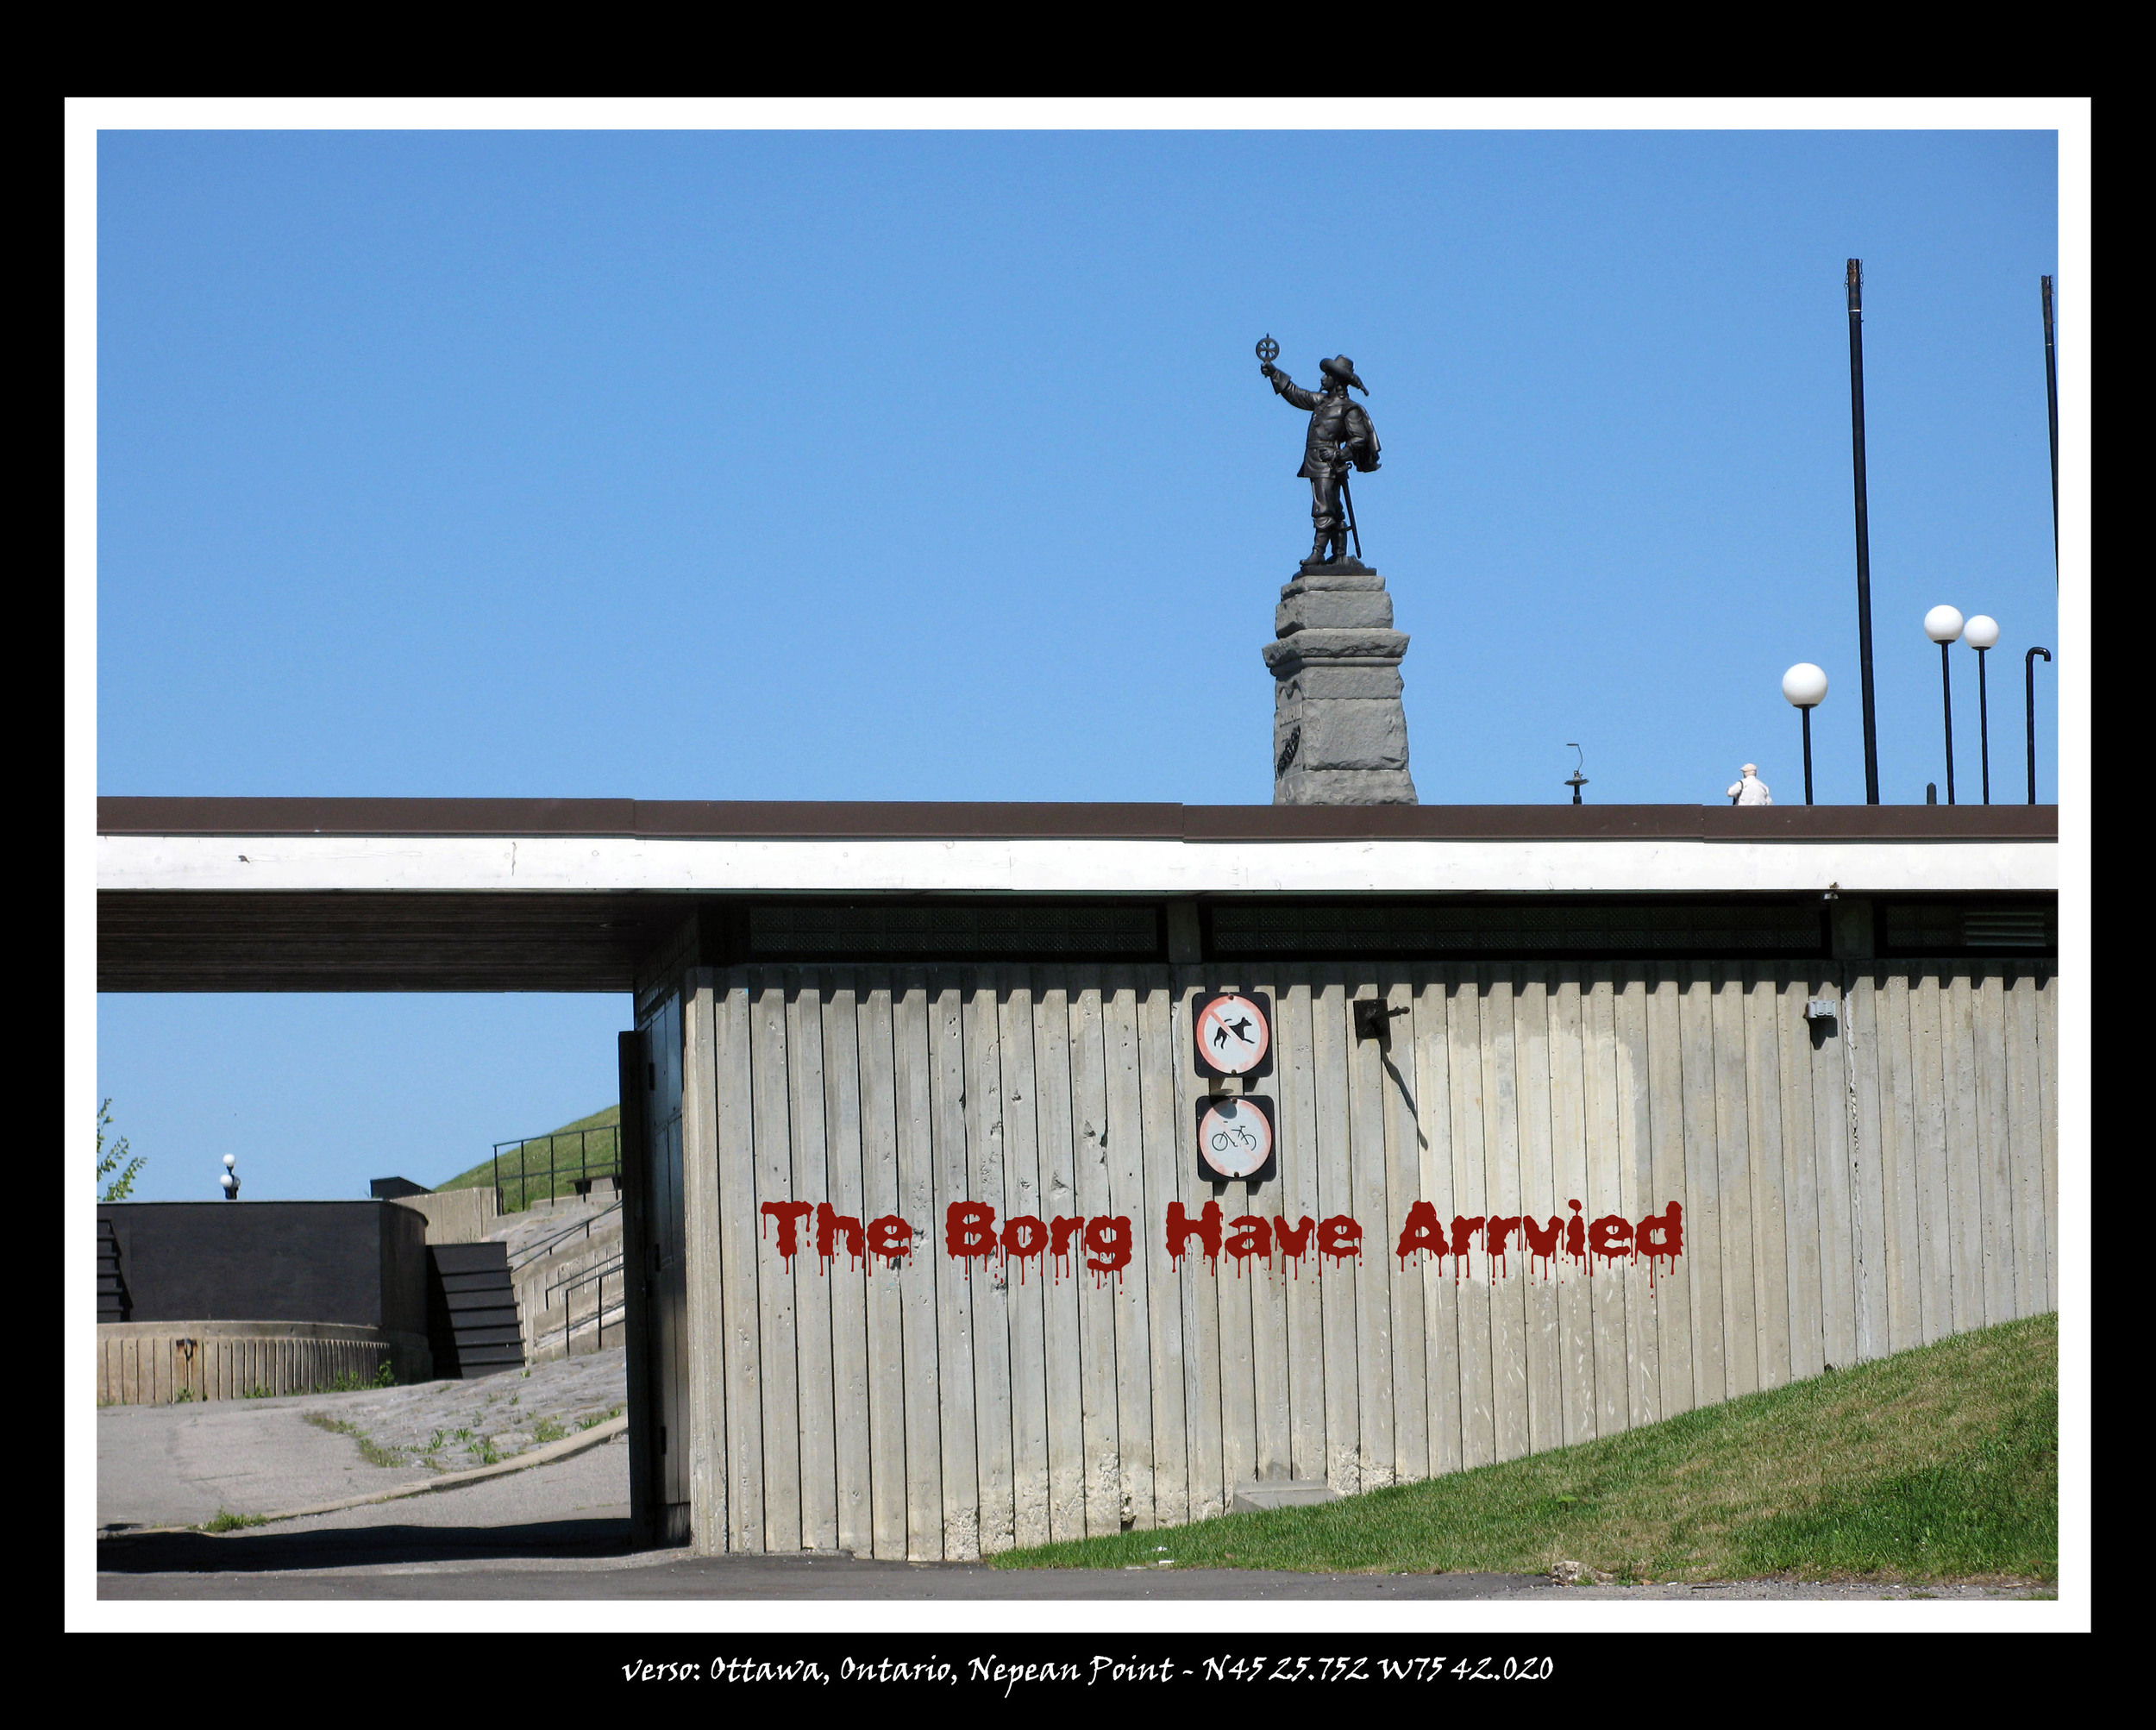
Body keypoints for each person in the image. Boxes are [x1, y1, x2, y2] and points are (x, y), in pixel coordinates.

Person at [1260, 354, 1380, 566]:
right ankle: (1340, 554)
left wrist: (1338, 454)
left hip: (1330, 464)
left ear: (1337, 380)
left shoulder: (1348, 408)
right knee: (1332, 506)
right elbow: (1296, 394)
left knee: (1323, 507)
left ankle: (1319, 553)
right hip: (1314, 460)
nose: (1323, 379)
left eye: (1328, 375)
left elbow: (1359, 438)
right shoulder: (1321, 402)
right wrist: (1274, 373)